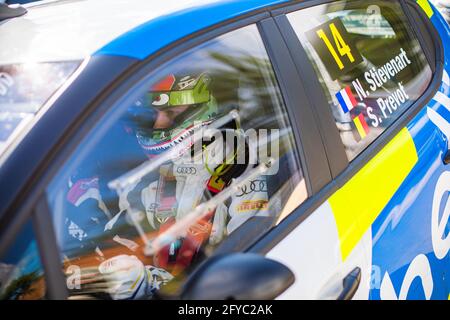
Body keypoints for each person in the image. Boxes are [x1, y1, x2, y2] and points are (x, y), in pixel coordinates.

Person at [63, 72, 269, 299]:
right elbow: (124, 235)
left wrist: (152, 282)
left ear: (199, 112)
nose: (158, 123)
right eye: (155, 113)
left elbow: (246, 262)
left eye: (171, 113)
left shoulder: (237, 160)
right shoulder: (151, 173)